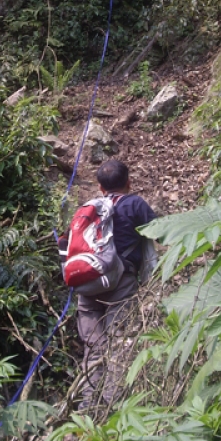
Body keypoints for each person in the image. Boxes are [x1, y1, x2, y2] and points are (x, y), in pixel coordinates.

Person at [76, 159, 157, 410]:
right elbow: (159, 232)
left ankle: (89, 405)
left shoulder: (87, 210)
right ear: (129, 182)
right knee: (118, 341)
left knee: (93, 347)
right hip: (121, 283)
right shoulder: (135, 204)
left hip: (88, 284)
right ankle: (113, 405)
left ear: (100, 188)